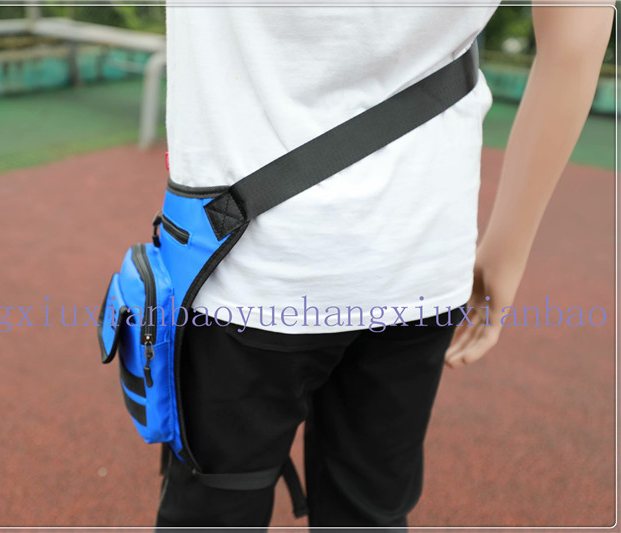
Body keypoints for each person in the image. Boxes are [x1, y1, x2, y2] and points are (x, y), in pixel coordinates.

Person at [154, 2, 614, 530]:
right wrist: (506, 254)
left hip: (239, 261)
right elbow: (576, 41)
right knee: (369, 512)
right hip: (422, 254)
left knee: (214, 509)